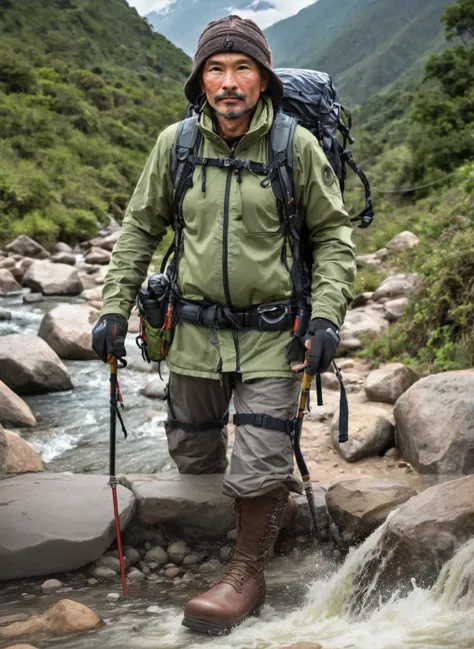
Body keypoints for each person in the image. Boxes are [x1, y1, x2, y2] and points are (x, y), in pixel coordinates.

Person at [92, 15, 356, 635]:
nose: (229, 81)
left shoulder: (295, 147)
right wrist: (113, 305)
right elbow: (139, 228)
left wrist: (324, 318)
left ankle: (246, 570)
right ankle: (228, 529)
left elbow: (334, 234)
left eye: (243, 69)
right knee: (192, 447)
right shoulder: (176, 146)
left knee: (260, 454)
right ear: (200, 81)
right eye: (216, 68)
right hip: (191, 332)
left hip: (274, 334)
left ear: (263, 80)